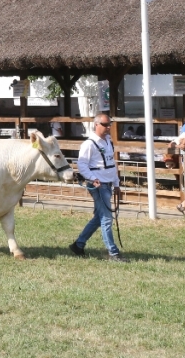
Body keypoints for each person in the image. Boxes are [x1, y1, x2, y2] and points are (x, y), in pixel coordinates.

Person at [70, 112, 126, 262]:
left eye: (109, 125)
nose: (108, 128)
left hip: (107, 183)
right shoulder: (89, 144)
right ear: (96, 125)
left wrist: (116, 184)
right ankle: (113, 253)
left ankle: (78, 245)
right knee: (107, 219)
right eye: (105, 125)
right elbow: (81, 164)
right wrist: (92, 178)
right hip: (98, 185)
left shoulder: (108, 141)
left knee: (99, 218)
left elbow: (111, 164)